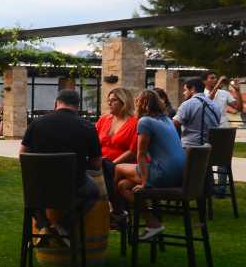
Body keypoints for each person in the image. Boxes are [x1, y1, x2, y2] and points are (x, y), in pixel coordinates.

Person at [20, 89, 102, 242]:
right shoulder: (88, 126)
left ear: (56, 103)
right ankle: (63, 225)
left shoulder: (37, 123)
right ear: (78, 106)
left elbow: (23, 155)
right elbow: (97, 164)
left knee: (29, 191)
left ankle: (43, 225)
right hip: (72, 187)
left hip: (40, 187)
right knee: (93, 193)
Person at [115, 90, 186, 240]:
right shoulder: (166, 119)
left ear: (141, 104)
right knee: (123, 186)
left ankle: (114, 212)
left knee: (117, 168)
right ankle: (152, 223)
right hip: (179, 174)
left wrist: (145, 183)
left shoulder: (145, 122)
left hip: (163, 174)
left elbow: (140, 154)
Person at [95, 88, 138, 217]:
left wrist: (111, 164)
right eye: (108, 100)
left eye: (113, 100)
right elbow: (94, 142)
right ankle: (108, 211)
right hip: (102, 163)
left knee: (107, 177)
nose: (109, 103)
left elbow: (133, 151)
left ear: (123, 102)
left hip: (124, 164)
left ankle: (111, 211)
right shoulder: (104, 120)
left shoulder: (135, 122)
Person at [203, 71, 240, 197]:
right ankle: (210, 188)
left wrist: (238, 91)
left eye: (215, 78)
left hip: (223, 129)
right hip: (208, 130)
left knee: (222, 161)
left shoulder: (224, 93)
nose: (214, 79)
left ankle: (221, 190)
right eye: (212, 78)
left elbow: (238, 107)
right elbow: (209, 100)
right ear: (205, 81)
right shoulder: (202, 94)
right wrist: (218, 83)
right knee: (207, 161)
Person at [173, 78, 222, 147]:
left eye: (185, 90)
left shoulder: (187, 104)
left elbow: (173, 125)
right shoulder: (215, 106)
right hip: (211, 148)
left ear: (192, 89)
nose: (184, 93)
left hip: (190, 148)